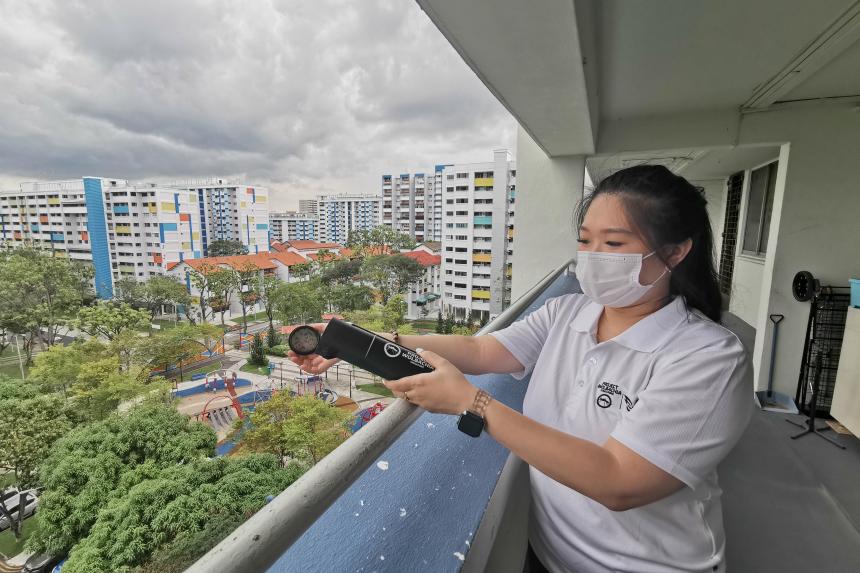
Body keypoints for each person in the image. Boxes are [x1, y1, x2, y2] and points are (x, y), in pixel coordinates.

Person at [288, 165, 753, 573]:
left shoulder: (706, 357)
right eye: (585, 241)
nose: (592, 257)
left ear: (675, 253)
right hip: (549, 552)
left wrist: (473, 403)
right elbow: (482, 349)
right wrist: (357, 343)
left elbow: (619, 481)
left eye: (614, 243)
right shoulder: (568, 313)